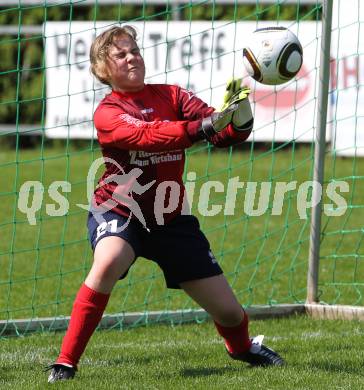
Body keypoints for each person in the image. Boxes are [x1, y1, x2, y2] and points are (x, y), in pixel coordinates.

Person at [46, 25, 284, 383]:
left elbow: (224, 133)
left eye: (135, 50)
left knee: (231, 315)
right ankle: (65, 363)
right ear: (102, 69)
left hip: (170, 218)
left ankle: (242, 348)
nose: (132, 57)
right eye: (121, 54)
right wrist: (203, 126)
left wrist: (241, 110)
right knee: (109, 259)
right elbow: (147, 137)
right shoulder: (108, 112)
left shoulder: (173, 95)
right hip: (120, 210)